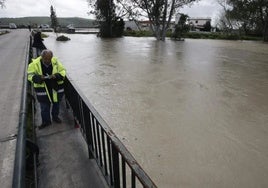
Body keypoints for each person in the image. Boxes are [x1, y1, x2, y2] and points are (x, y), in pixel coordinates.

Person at [27, 50, 66, 129]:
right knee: (44, 106)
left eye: (49, 59)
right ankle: (46, 121)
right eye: (45, 59)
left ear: (51, 57)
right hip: (43, 90)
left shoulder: (56, 62)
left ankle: (55, 117)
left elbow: (63, 71)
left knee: (56, 104)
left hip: (55, 88)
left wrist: (56, 75)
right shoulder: (34, 64)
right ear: (42, 57)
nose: (47, 61)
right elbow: (30, 76)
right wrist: (38, 78)